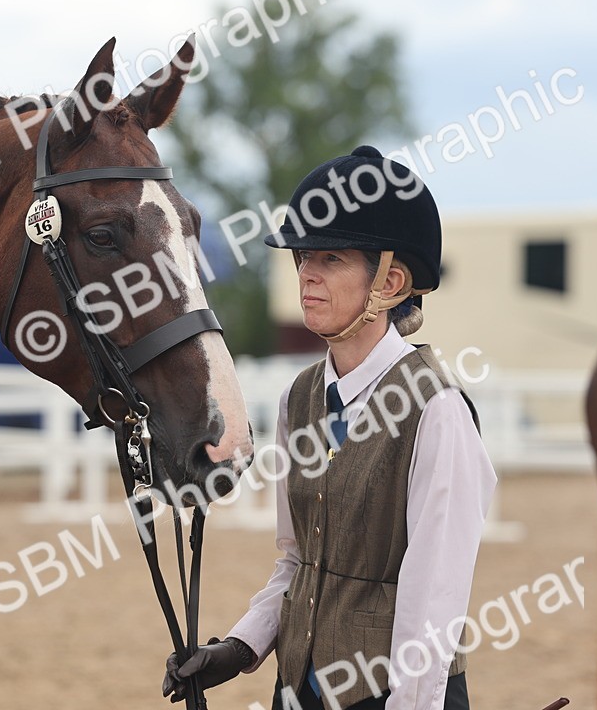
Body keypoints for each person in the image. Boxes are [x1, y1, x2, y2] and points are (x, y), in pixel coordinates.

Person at [163, 146, 497, 710]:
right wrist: (241, 647)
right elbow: (298, 562)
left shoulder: (438, 411)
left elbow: (434, 598)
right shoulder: (299, 399)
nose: (307, 274)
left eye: (332, 258)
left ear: (391, 281)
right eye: (303, 257)